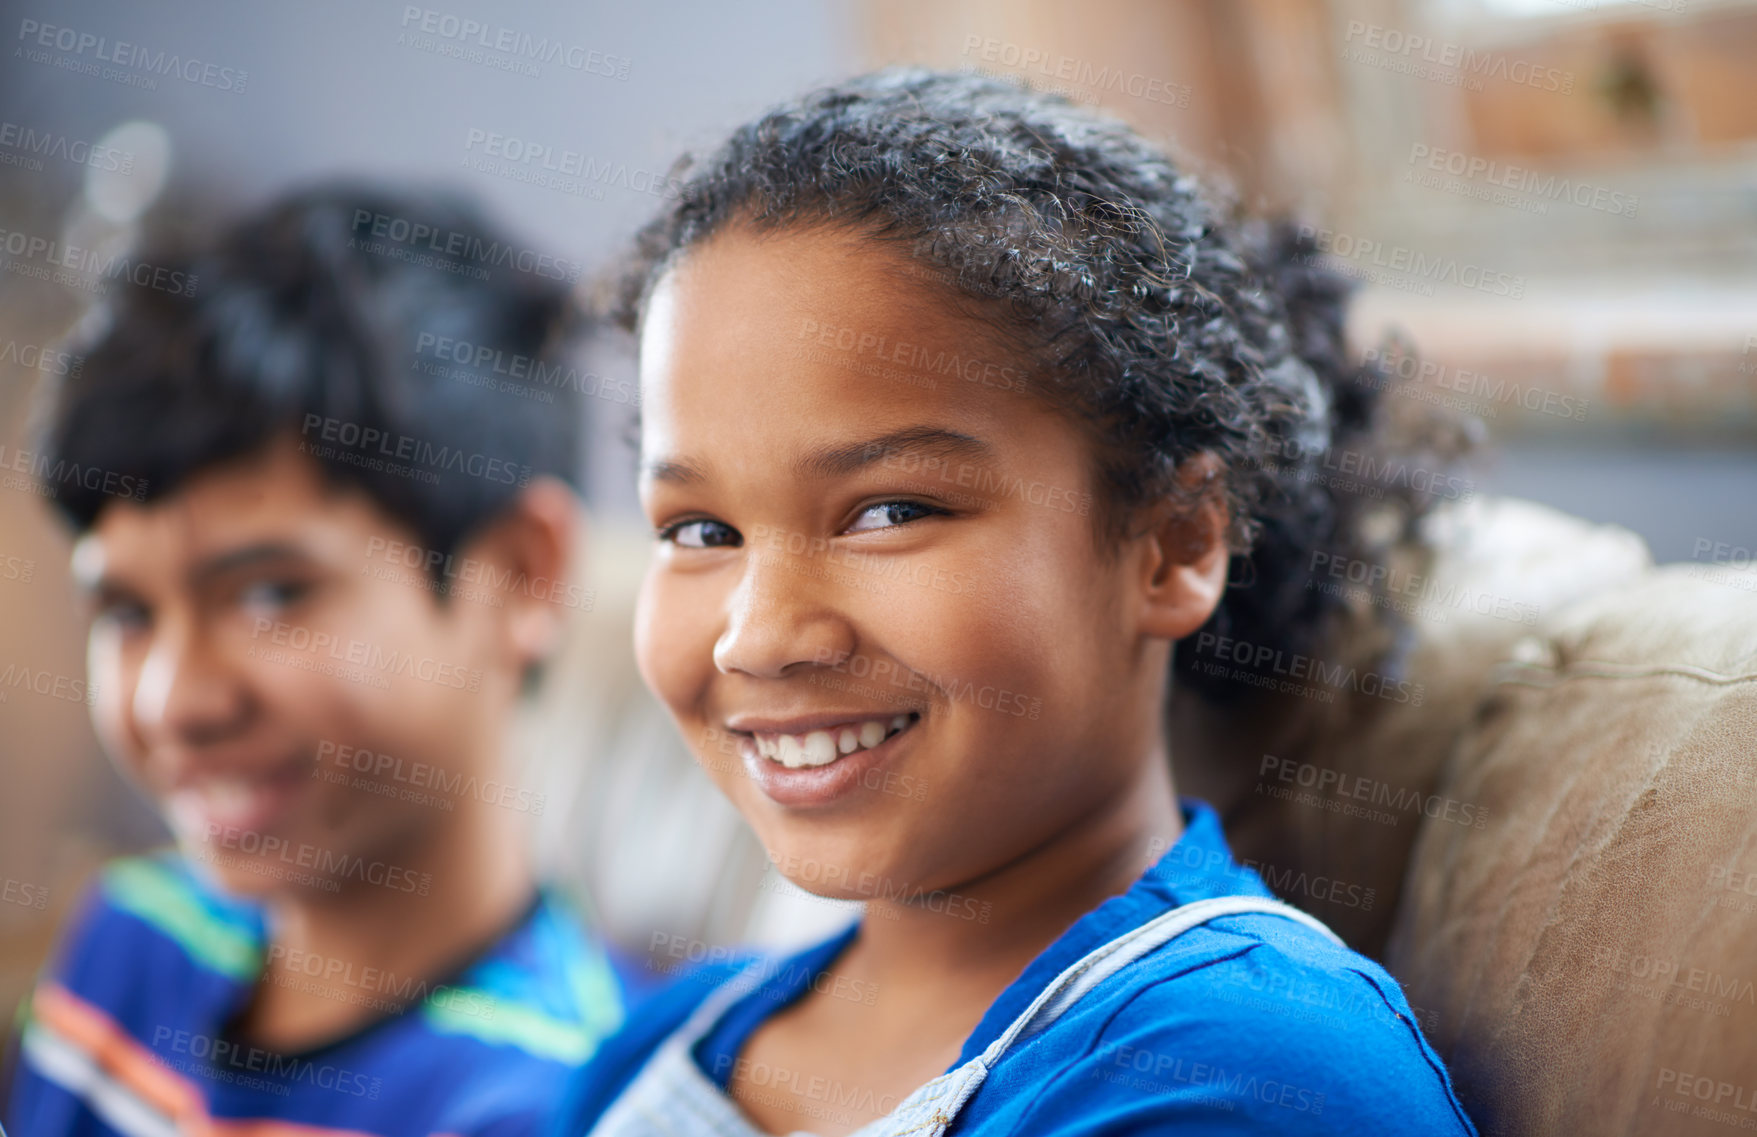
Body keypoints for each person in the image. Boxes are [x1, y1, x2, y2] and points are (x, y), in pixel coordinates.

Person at [554, 68, 1478, 1136]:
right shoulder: (649, 1052)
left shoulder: (1244, 1071)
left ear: (1173, 545)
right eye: (700, 532)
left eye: (888, 511)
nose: (758, 636)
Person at [5, 184, 629, 1137]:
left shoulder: (561, 1102)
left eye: (269, 594)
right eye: (128, 611)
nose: (176, 699)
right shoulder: (134, 936)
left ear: (518, 575)